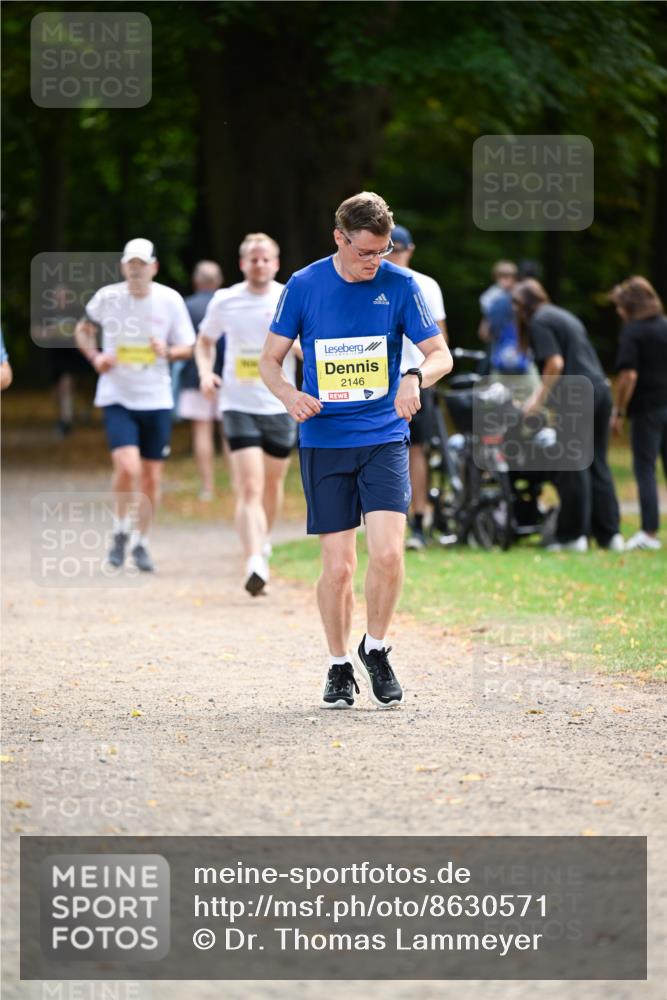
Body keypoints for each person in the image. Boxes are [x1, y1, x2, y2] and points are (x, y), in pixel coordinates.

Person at [260, 192, 452, 709]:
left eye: (383, 251)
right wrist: (289, 396)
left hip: (383, 434)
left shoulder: (401, 285)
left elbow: (441, 354)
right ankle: (339, 663)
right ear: (339, 239)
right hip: (325, 439)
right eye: (365, 252)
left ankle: (377, 647)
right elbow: (270, 361)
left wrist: (414, 375)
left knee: (388, 552)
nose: (375, 261)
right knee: (339, 567)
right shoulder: (304, 285)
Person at [75, 238, 195, 572]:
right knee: (128, 467)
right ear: (123, 267)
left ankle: (141, 541)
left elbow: (189, 346)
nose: (136, 269)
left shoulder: (169, 300)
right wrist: (95, 357)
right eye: (131, 264)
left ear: (154, 267)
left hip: (156, 397)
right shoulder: (107, 297)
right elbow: (82, 331)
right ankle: (119, 530)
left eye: (142, 264)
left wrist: (168, 351)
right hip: (117, 395)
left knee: (152, 478)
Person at [196, 233, 298, 596]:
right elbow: (204, 342)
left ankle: (262, 541)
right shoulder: (225, 300)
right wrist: (205, 373)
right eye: (253, 259)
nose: (259, 264)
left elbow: (307, 344)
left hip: (280, 403)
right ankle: (254, 560)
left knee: (272, 485)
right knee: (250, 486)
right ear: (242, 264)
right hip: (237, 403)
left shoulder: (289, 296)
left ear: (276, 263)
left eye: (265, 258)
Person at [512, 278, 623, 552]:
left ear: (522, 304)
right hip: (600, 389)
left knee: (574, 465)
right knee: (598, 464)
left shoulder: (539, 321)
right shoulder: (562, 315)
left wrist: (536, 401)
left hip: (577, 395)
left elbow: (555, 363)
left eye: (514, 305)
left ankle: (573, 536)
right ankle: (609, 535)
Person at [388, 224, 447, 550]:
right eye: (388, 250)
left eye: (398, 250)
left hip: (416, 378)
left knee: (416, 450)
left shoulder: (425, 285)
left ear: (410, 250)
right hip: (380, 379)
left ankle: (419, 519)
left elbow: (440, 340)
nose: (393, 256)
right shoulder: (371, 281)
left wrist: (427, 376)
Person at [609, 276, 667, 551]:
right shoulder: (665, 326)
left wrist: (619, 410)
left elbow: (629, 375)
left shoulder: (633, 332)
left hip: (647, 408)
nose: (618, 311)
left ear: (630, 306)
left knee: (645, 468)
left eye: (620, 306)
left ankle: (649, 532)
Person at [178, 260, 225, 500]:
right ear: (219, 281)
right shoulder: (227, 303)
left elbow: (184, 343)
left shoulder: (186, 306)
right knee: (230, 432)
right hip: (229, 375)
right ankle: (238, 483)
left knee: (202, 430)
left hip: (195, 375)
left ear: (195, 281)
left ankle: (207, 487)